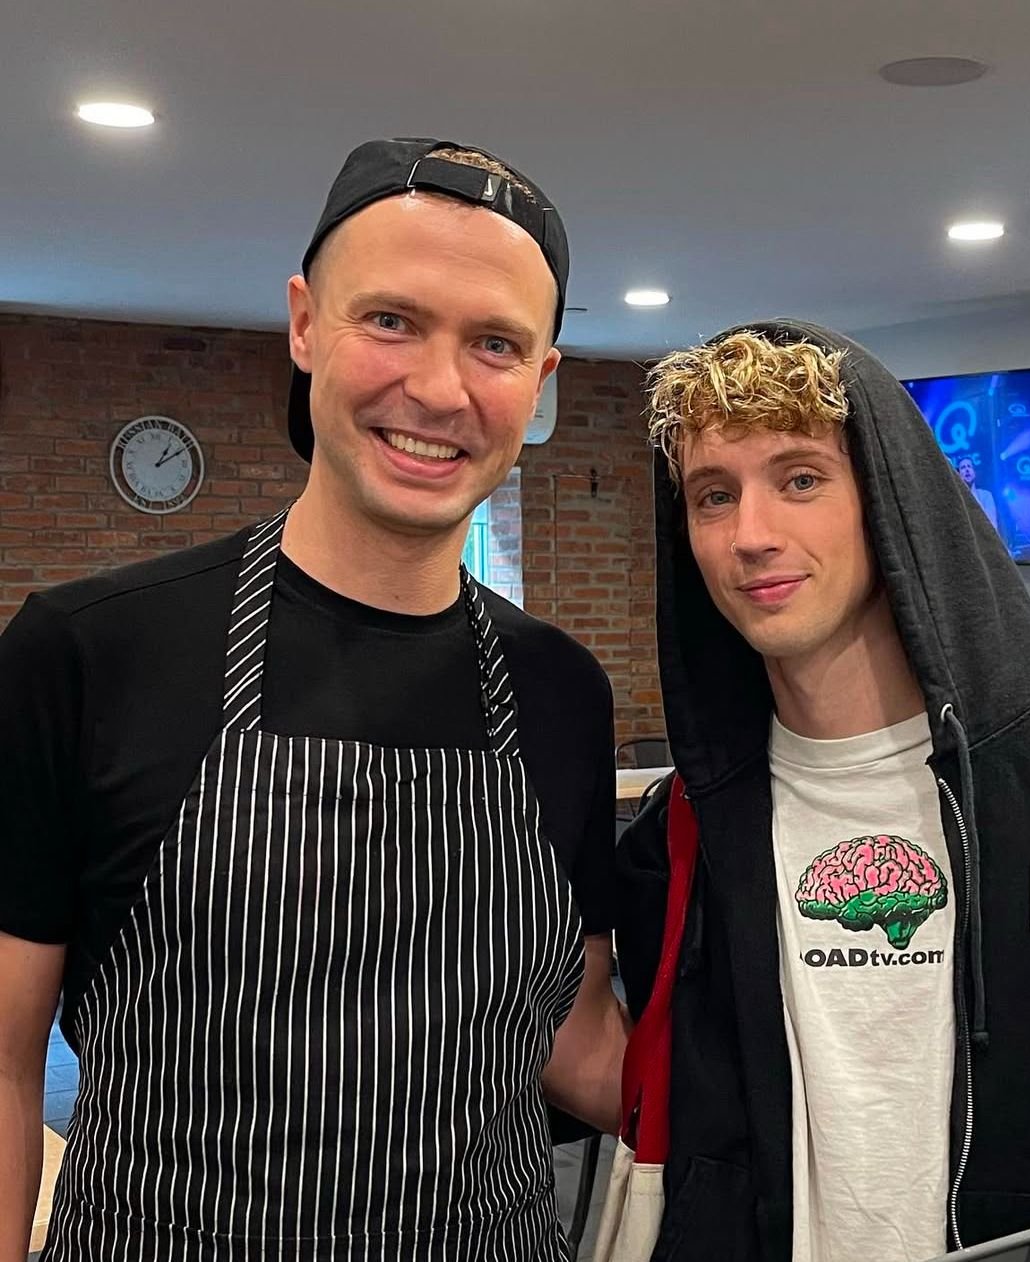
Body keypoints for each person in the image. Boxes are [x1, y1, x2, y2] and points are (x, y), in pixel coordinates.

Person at [0, 137, 626, 1259]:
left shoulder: (563, 693)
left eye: (494, 343)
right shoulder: (89, 651)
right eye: (390, 319)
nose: (437, 388)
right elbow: (3, 1061)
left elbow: (572, 1036)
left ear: (539, 385)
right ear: (302, 323)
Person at [615, 321, 1030, 1262]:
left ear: (889, 499)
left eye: (801, 478)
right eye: (714, 495)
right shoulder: (692, 822)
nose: (752, 535)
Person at [956, 454, 1000, 530]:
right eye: (963, 467)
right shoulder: (957, 497)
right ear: (959, 474)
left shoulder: (986, 495)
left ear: (974, 473)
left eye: (969, 466)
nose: (967, 469)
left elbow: (993, 524)